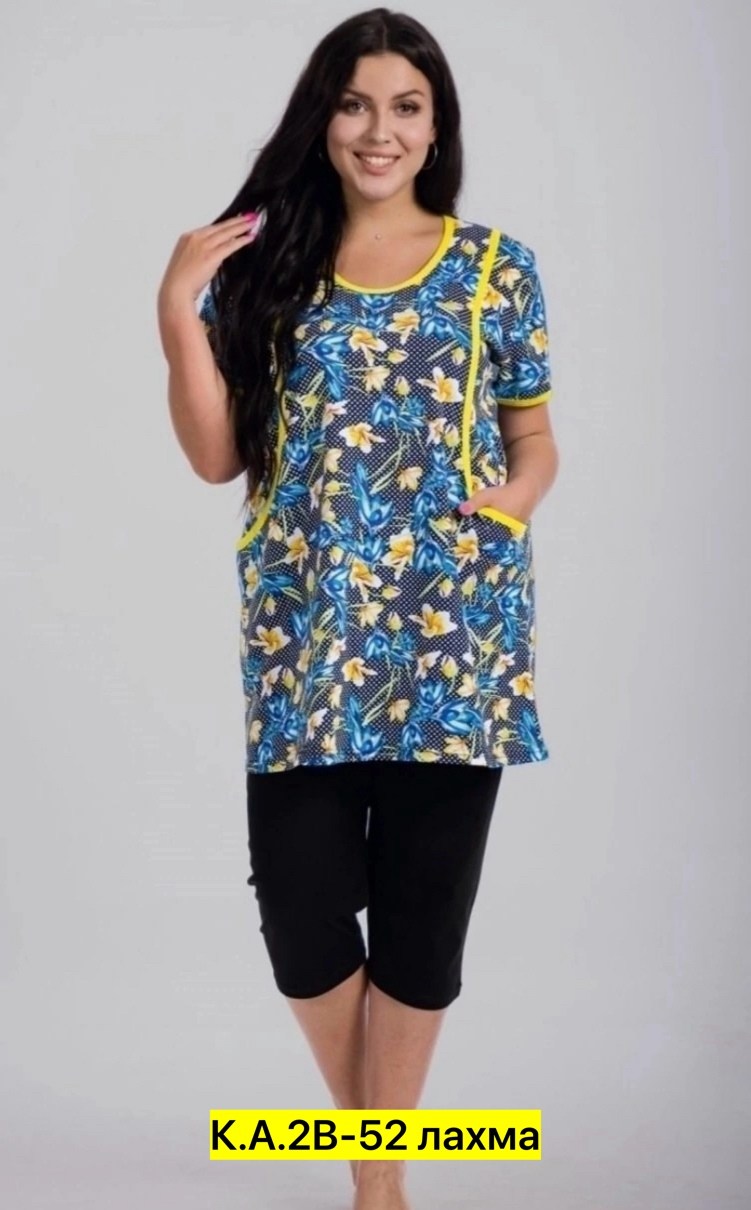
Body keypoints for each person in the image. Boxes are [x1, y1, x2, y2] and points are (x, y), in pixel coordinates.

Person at [157, 8, 559, 1208]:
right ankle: (385, 1166)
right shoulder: (265, 266)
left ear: (436, 128)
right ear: (322, 118)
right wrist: (177, 309)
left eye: (405, 107)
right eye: (354, 104)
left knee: (424, 931)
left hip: (454, 643)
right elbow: (216, 458)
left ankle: (373, 1190)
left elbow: (534, 438)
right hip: (305, 640)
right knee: (302, 921)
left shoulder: (495, 268)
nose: (378, 131)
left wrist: (507, 507)